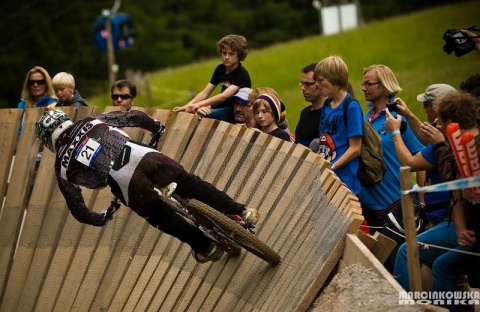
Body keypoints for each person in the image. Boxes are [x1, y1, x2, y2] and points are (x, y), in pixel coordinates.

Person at [34, 109, 259, 263]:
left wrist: (100, 217)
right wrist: (156, 127)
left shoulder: (61, 167)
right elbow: (133, 117)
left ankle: (205, 247)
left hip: (125, 184)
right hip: (142, 156)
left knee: (161, 217)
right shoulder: (90, 121)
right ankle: (242, 211)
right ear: (65, 119)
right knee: (190, 184)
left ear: (49, 141)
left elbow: (78, 209)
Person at [393, 91, 479, 311]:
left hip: (463, 224)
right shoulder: (452, 146)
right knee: (443, 266)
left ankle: (408, 308)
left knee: (409, 250)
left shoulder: (467, 146)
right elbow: (457, 197)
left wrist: (395, 132)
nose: (435, 126)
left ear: (450, 123)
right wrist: (461, 231)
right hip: (464, 228)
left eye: (438, 122)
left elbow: (412, 163)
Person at [358, 64, 424, 232]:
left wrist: (422, 200)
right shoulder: (367, 118)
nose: (364, 88)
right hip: (370, 206)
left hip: (396, 204)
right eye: (363, 84)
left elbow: (420, 158)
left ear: (384, 85)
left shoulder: (399, 116)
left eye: (368, 84)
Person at [385, 84, 456, 228]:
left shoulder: (444, 140)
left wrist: (395, 132)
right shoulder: (451, 130)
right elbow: (427, 138)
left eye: (426, 104)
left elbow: (409, 163)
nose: (423, 108)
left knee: (406, 251)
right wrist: (408, 114)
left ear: (437, 107)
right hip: (444, 213)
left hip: (442, 217)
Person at [314, 55, 363, 196]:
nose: (317, 85)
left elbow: (355, 148)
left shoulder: (351, 106)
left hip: (344, 181)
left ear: (334, 78)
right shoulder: (326, 104)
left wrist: (333, 167)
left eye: (321, 80)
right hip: (325, 178)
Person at [173, 35, 251, 123]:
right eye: (224, 53)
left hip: (234, 110)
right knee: (192, 112)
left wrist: (197, 105)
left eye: (231, 54)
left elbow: (223, 96)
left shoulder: (241, 74)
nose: (226, 57)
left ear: (239, 56)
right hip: (220, 106)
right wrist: (187, 106)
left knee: (201, 115)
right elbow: (205, 93)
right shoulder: (220, 69)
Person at [294, 63, 328, 147]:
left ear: (321, 84)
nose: (303, 88)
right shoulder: (305, 113)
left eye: (308, 84)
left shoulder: (330, 113)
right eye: (302, 83)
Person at [17, 66, 57, 135]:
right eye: (32, 82)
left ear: (46, 84)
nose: (35, 85)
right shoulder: (22, 105)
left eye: (40, 82)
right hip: (21, 143)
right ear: (28, 85)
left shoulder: (54, 104)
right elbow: (17, 131)